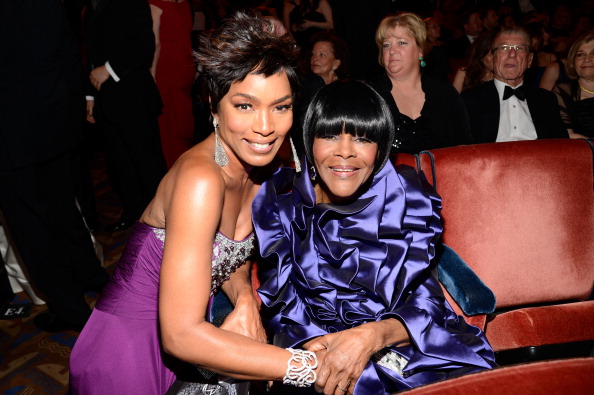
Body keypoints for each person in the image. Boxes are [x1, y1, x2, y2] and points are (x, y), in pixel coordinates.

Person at [70, 12, 325, 395]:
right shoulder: (200, 180)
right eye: (245, 106)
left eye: (281, 106)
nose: (265, 126)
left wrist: (244, 299)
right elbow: (180, 335)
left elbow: (222, 252)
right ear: (213, 104)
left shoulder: (264, 167)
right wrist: (310, 367)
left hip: (198, 342)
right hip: (130, 353)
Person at [253, 80, 497, 395]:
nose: (345, 152)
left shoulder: (403, 202)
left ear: (380, 148)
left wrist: (370, 337)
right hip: (322, 360)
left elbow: (427, 303)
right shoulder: (282, 214)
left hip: (409, 346)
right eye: (329, 135)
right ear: (308, 142)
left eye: (363, 138)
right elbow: (285, 315)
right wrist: (331, 355)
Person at [0, 0, 109, 333]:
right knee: (64, 210)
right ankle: (93, 276)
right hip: (54, 121)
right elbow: (67, 54)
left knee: (33, 229)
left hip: (11, 135)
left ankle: (70, 309)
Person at [85, 0, 168, 232]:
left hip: (134, 99)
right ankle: (134, 216)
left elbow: (144, 45)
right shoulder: (91, 6)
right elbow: (91, 53)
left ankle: (166, 221)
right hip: (106, 102)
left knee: (148, 167)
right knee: (121, 167)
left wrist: (110, 70)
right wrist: (90, 97)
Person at [370, 12, 473, 155]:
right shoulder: (370, 97)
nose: (392, 50)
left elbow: (464, 149)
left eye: (401, 42)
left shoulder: (445, 94)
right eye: (386, 45)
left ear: (420, 50)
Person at [461, 26, 568, 143]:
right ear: (493, 59)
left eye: (520, 48)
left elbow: (561, 146)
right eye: (504, 48)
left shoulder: (546, 99)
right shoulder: (470, 99)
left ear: (529, 60)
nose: (512, 54)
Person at [149, 0, 197, 168]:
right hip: (184, 65)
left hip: (166, 68)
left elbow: (155, 43)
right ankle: (185, 164)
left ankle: (172, 167)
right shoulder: (183, 3)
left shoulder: (155, 3)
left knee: (167, 121)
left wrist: (151, 77)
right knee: (180, 117)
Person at [552, 30, 594, 138]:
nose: (587, 59)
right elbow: (568, 135)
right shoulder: (564, 92)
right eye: (580, 55)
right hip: (584, 151)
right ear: (573, 61)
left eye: (593, 53)